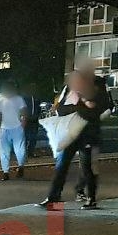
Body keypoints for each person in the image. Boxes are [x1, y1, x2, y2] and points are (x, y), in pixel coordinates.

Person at [42, 69, 109, 209]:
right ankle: (53, 197)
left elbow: (94, 112)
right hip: (69, 136)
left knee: (87, 168)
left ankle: (91, 198)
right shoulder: (68, 92)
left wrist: (81, 106)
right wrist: (81, 106)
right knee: (61, 167)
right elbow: (60, 110)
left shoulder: (94, 91)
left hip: (87, 135)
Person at [0, 81, 30, 180]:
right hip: (4, 129)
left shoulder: (18, 99)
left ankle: (21, 167)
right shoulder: (0, 101)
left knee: (20, 150)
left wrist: (23, 123)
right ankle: (5, 172)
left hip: (17, 128)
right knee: (4, 151)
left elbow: (24, 112)